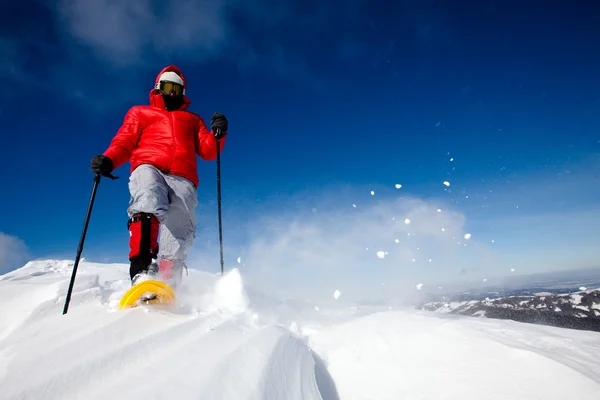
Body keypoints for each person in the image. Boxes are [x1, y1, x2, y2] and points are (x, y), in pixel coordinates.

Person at [90, 65, 228, 289]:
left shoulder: (192, 120)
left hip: (183, 176)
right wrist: (109, 160)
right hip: (148, 164)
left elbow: (208, 151)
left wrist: (218, 134)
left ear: (183, 91)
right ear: (157, 88)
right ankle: (142, 270)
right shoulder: (140, 112)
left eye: (176, 88)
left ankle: (168, 281)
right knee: (148, 198)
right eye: (167, 87)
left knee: (180, 224)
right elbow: (124, 142)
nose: (172, 93)